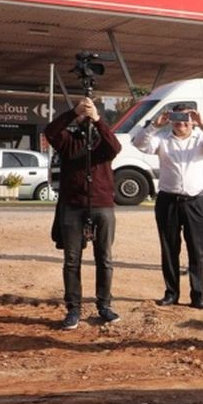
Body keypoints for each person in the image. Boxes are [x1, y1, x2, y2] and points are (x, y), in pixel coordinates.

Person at [132, 102, 203, 309]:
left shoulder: (201, 140)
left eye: (185, 119)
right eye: (177, 118)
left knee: (197, 250)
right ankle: (171, 293)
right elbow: (139, 143)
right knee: (169, 248)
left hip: (196, 201)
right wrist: (154, 125)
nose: (181, 123)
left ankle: (198, 295)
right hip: (168, 201)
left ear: (192, 120)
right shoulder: (162, 139)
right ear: (171, 119)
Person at [44, 94, 122, 329]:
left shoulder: (103, 142)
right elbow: (50, 132)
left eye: (89, 112)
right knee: (71, 260)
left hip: (102, 205)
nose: (85, 118)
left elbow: (115, 147)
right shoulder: (69, 141)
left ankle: (104, 305)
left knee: (104, 259)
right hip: (73, 205)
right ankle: (73, 309)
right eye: (83, 114)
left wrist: (97, 119)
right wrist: (73, 112)